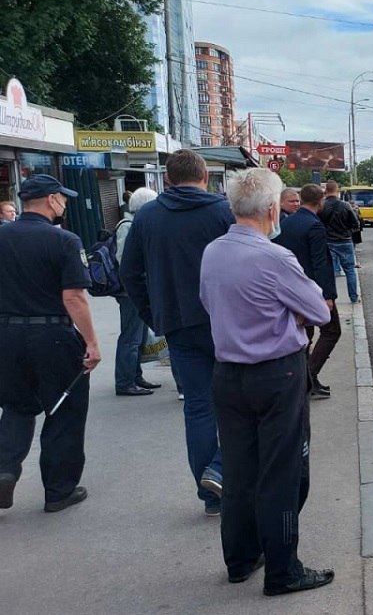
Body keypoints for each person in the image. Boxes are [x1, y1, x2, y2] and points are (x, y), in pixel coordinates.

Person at [200, 168, 335, 596]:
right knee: (283, 471)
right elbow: (319, 310)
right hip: (277, 374)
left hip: (228, 375)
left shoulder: (213, 251)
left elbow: (210, 303)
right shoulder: (274, 257)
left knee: (240, 470)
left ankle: (240, 559)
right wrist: (288, 312)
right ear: (273, 209)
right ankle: (283, 568)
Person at [120, 149, 234, 517]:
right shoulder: (221, 211)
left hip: (177, 325)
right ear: (204, 176)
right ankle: (220, 469)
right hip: (225, 322)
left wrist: (152, 312)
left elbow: (129, 272)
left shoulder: (148, 216)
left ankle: (211, 495)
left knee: (199, 408)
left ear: (167, 179)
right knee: (238, 402)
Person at [0, 175, 99, 513]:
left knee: (15, 407)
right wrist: (91, 343)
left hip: (7, 335)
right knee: (63, 411)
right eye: (63, 198)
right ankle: (59, 490)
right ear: (51, 200)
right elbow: (74, 297)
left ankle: (4, 470)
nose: (66, 204)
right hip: (52, 336)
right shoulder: (64, 241)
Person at [275, 184, 339, 399]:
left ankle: (305, 381)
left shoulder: (287, 222)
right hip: (313, 290)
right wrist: (328, 296)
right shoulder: (314, 226)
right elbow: (320, 263)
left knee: (306, 335)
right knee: (331, 331)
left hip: (291, 288)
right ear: (321, 201)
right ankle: (308, 378)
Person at [113, 187, 162, 397]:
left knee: (139, 335)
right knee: (131, 336)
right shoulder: (128, 226)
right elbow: (125, 260)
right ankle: (125, 381)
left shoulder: (135, 224)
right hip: (129, 291)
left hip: (137, 288)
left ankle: (135, 375)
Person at [318, 181, 360, 303]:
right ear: (337, 191)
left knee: (328, 272)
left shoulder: (321, 206)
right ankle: (353, 297)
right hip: (345, 241)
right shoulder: (345, 205)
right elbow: (355, 223)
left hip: (328, 242)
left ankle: (329, 298)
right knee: (350, 270)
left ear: (326, 190)